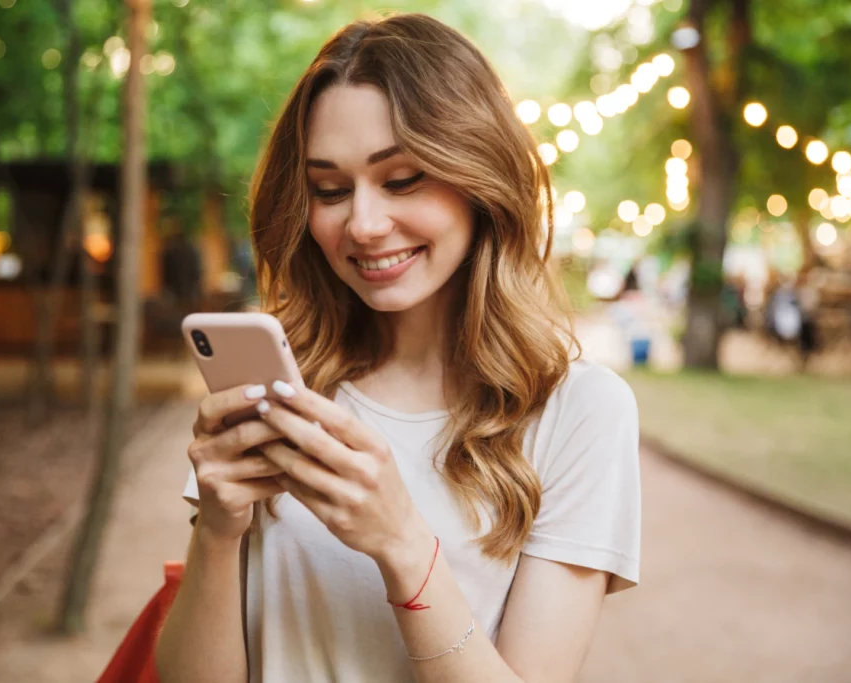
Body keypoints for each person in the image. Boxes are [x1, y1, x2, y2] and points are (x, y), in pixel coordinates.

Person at [156, 14, 640, 683]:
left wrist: (402, 544)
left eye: (403, 178)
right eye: (329, 189)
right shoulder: (286, 384)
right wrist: (216, 531)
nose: (363, 223)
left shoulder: (579, 412)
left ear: (480, 179)